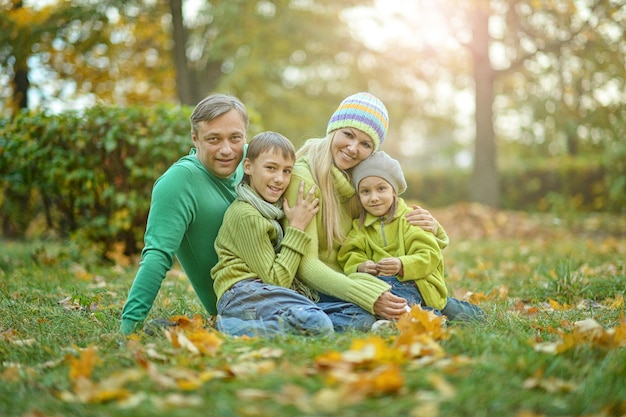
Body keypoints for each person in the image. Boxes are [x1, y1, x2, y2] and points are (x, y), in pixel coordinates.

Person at [282, 92, 447, 331]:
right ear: (333, 130)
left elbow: (390, 213)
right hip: (320, 287)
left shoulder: (355, 181)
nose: (352, 148)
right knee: (364, 319)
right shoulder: (304, 178)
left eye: (365, 144)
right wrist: (368, 295)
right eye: (348, 134)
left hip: (356, 278)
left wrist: (433, 227)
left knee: (434, 304)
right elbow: (306, 266)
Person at [120, 93, 249, 335]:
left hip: (283, 280)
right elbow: (157, 256)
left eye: (235, 138)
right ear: (195, 138)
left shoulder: (252, 162)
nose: (226, 150)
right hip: (239, 301)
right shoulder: (180, 182)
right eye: (213, 139)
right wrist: (129, 329)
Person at [211, 131, 335, 337]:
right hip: (241, 294)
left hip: (266, 294)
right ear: (248, 167)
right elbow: (277, 281)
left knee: (356, 317)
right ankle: (229, 328)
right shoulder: (246, 215)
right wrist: (296, 228)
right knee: (318, 323)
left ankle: (295, 326)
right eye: (271, 168)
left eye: (287, 171)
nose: (280, 179)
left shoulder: (271, 210)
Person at [337, 151, 484, 322]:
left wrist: (402, 264)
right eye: (365, 191)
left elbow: (430, 255)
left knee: (457, 313)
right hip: (383, 288)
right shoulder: (360, 227)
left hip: (418, 285)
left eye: (381, 188)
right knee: (381, 296)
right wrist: (360, 266)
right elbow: (349, 254)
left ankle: (429, 317)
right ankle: (413, 318)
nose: (374, 197)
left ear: (394, 191)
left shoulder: (411, 219)